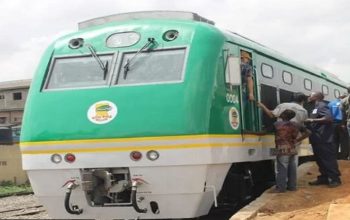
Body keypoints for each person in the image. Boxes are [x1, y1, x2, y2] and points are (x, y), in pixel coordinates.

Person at [306, 92, 341, 188]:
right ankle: (324, 178)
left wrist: (312, 120)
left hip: (324, 139)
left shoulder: (322, 106)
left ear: (316, 97)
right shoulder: (315, 108)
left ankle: (335, 179)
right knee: (320, 160)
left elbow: (329, 118)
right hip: (317, 139)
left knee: (328, 159)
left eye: (310, 95)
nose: (308, 97)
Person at [273, 110, 311, 192]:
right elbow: (308, 132)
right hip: (292, 147)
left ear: (283, 115)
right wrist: (297, 140)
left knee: (282, 168)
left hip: (280, 147)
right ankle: (292, 187)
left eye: (282, 112)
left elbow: (266, 131)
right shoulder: (296, 125)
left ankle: (281, 188)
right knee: (292, 168)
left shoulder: (277, 124)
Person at [328, 94, 349, 159]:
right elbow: (344, 114)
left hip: (333, 124)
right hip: (342, 124)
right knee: (344, 142)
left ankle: (334, 157)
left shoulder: (330, 103)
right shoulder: (345, 102)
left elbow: (328, 114)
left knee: (334, 141)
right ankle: (344, 157)